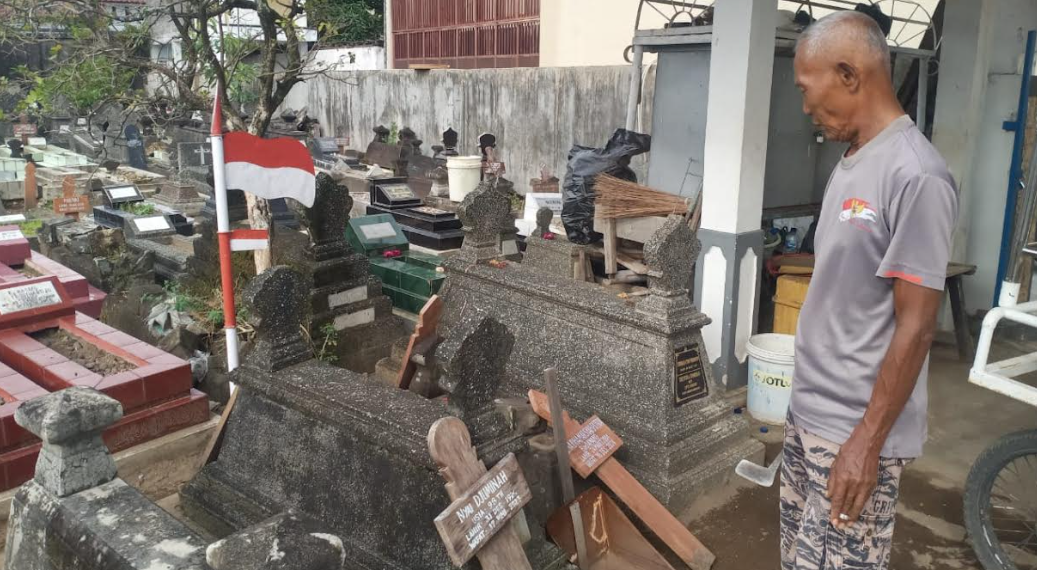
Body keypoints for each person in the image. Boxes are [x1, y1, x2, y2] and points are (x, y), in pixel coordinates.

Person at [782, 11, 958, 570]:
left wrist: (866, 443)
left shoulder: (917, 175)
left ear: (849, 74)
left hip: (854, 434)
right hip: (809, 414)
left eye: (808, 90)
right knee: (797, 558)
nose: (806, 106)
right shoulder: (853, 158)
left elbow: (917, 324)